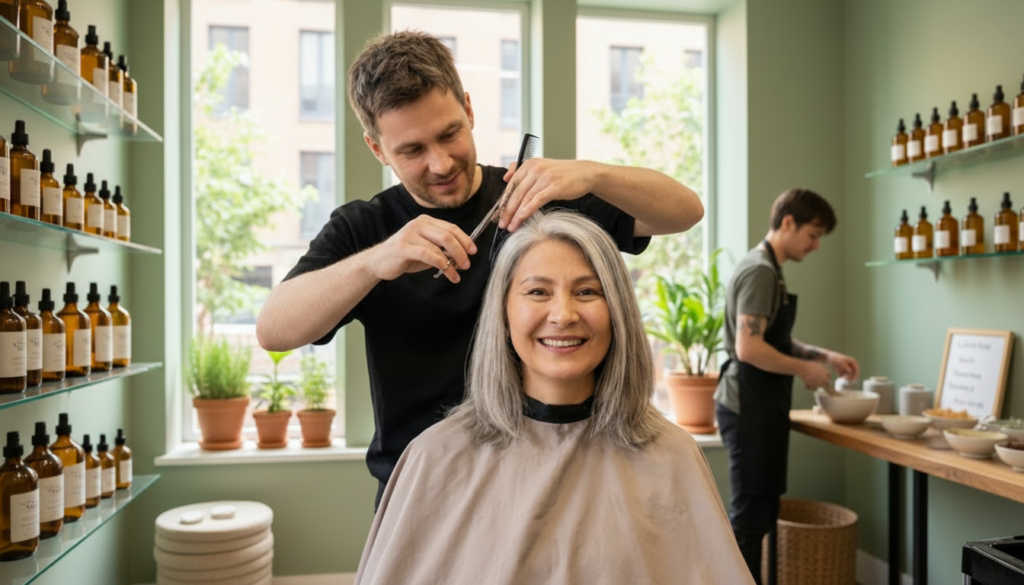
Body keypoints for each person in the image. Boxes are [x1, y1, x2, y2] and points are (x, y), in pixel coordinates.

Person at [255, 30, 704, 505]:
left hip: (550, 481)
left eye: (450, 133)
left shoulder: (539, 197)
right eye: (412, 150)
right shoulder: (365, 229)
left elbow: (685, 211)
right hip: (423, 490)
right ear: (377, 149)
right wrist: (377, 262)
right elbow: (274, 329)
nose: (441, 163)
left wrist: (592, 174)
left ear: (469, 109)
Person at [354, 210, 753, 585]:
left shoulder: (672, 455)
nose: (563, 314)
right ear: (504, 314)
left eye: (586, 291)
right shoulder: (434, 456)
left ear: (617, 311)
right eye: (538, 292)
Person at [713, 188, 860, 584]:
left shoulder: (770, 269)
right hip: (748, 408)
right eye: (813, 234)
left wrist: (823, 356)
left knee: (759, 514)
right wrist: (803, 370)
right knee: (749, 520)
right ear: (788, 222)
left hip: (758, 407)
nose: (815, 246)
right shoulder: (761, 270)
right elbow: (748, 347)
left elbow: (772, 340)